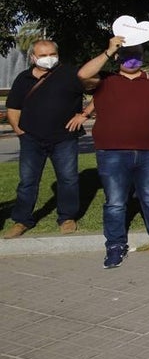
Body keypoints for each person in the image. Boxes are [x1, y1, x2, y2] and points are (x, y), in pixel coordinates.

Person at [77, 38, 149, 268]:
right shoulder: (105, 81)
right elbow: (83, 75)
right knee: (115, 202)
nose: (132, 60)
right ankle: (115, 246)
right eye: (126, 55)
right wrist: (110, 49)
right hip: (112, 152)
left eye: (137, 55)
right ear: (117, 58)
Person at [3, 39, 88, 238]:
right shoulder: (23, 79)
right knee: (28, 181)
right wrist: (19, 130)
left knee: (68, 179)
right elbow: (13, 108)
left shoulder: (70, 74)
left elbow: (100, 91)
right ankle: (21, 220)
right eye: (42, 55)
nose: (48, 58)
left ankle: (67, 217)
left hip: (64, 138)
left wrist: (83, 115)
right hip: (31, 139)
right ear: (33, 57)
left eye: (52, 54)